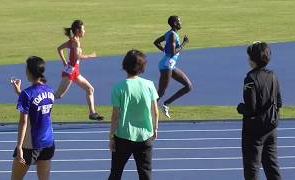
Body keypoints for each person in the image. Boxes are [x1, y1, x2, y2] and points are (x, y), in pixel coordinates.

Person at [108, 50, 159, 180]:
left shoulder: (118, 87)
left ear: (125, 65)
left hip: (123, 136)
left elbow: (116, 115)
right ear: (142, 67)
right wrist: (155, 128)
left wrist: (111, 136)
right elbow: (155, 111)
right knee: (145, 173)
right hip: (144, 136)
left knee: (116, 173)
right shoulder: (149, 85)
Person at [237, 42, 282, 180]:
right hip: (271, 127)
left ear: (253, 59)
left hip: (254, 131)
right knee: (272, 167)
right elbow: (279, 102)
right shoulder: (273, 75)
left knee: (252, 168)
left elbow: (251, 109)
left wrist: (240, 108)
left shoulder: (250, 79)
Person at [10, 56, 55, 180]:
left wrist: (19, 147)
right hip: (48, 143)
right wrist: (19, 92)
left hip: (29, 145)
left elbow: (23, 122)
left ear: (29, 72)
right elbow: (36, 104)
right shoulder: (50, 91)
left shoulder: (27, 94)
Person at [54, 19, 104, 120]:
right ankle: (39, 100)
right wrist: (91, 56)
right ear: (78, 31)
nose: (85, 31)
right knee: (58, 96)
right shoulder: (75, 42)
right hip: (70, 72)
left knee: (90, 89)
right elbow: (78, 56)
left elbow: (59, 49)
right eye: (83, 29)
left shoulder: (73, 40)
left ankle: (92, 113)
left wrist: (64, 62)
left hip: (75, 71)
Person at [153, 15, 192, 118]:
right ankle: (146, 110)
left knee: (188, 86)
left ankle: (166, 104)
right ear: (175, 23)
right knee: (160, 92)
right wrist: (184, 43)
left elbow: (156, 42)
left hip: (170, 65)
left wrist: (164, 50)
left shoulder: (169, 33)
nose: (181, 23)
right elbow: (173, 53)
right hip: (166, 66)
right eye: (179, 21)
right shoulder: (173, 35)